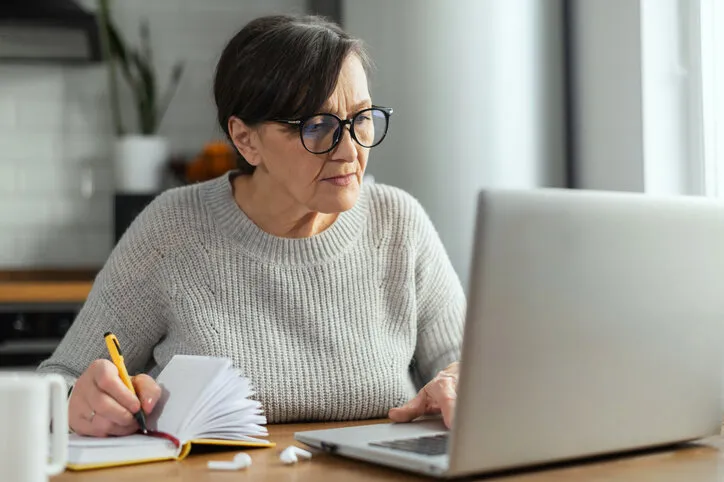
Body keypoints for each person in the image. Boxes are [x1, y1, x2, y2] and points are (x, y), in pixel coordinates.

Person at [37, 14, 465, 437]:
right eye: (318, 126)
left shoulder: (398, 223)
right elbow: (57, 381)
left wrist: (458, 379)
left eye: (362, 117)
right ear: (246, 139)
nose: (349, 151)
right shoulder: (173, 231)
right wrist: (80, 400)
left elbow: (470, 362)